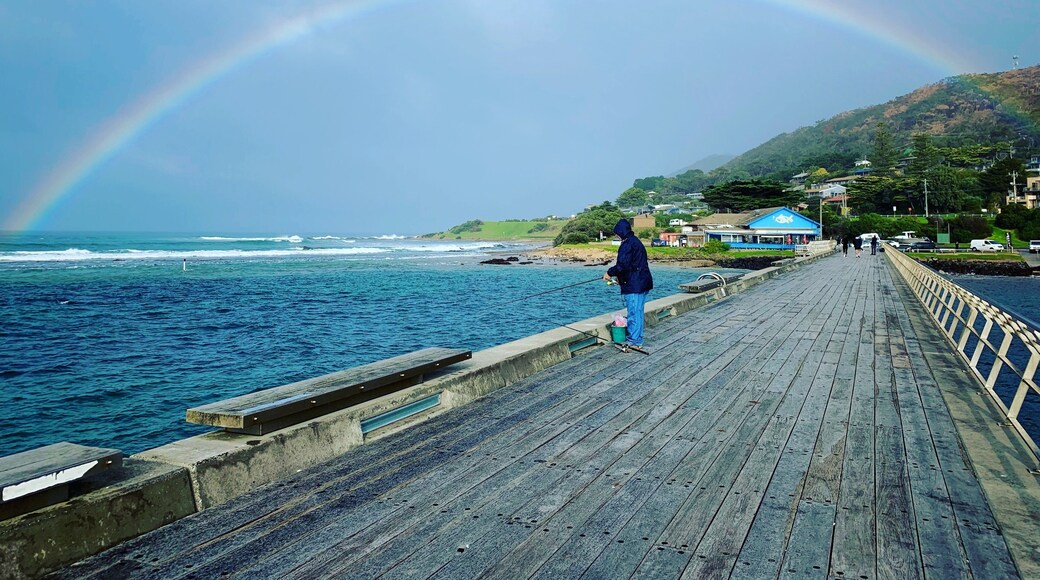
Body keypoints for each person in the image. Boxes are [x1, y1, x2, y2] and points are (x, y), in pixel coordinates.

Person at [603, 218, 653, 351]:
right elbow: (632, 265)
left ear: (621, 232)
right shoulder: (636, 241)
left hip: (635, 285)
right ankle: (638, 339)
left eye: (617, 234)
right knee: (638, 312)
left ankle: (633, 341)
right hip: (642, 282)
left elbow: (622, 266)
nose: (617, 236)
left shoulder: (627, 245)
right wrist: (619, 277)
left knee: (634, 313)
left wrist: (609, 273)